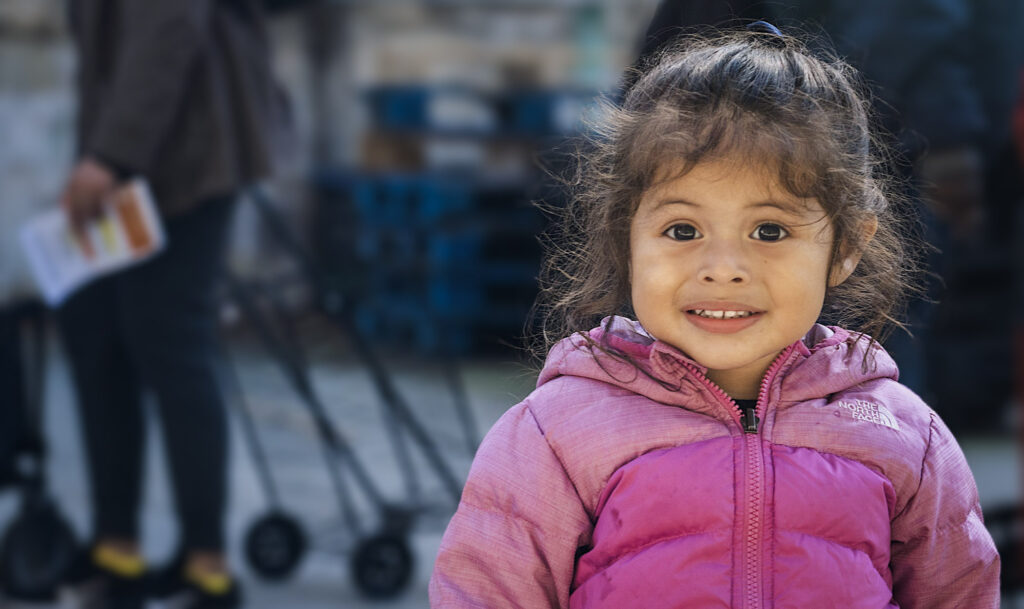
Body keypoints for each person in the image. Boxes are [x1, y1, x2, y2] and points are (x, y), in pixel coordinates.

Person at [429, 24, 999, 608]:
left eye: (769, 230)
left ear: (847, 246)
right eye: (683, 230)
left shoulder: (906, 438)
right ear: (626, 240)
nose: (723, 269)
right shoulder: (556, 434)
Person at [57, 2, 284, 608]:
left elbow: (168, 27)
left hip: (185, 157)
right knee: (98, 333)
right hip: (140, 154)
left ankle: (207, 568)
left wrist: (110, 154)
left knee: (171, 344)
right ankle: (116, 549)